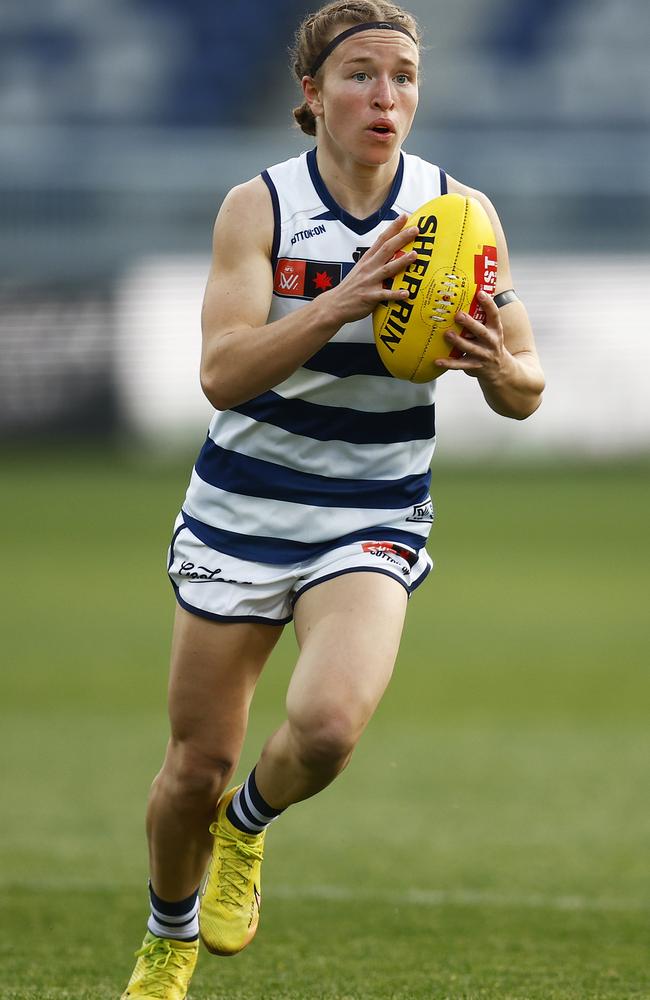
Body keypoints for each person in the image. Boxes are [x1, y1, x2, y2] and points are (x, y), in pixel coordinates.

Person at [121, 2, 545, 996]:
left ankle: (249, 825)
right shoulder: (258, 206)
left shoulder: (458, 215)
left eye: (401, 75)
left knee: (326, 727)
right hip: (244, 506)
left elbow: (527, 387)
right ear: (310, 96)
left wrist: (494, 369)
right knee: (193, 764)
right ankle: (167, 931)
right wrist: (340, 300)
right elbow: (221, 375)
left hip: (370, 509)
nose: (384, 95)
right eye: (359, 74)